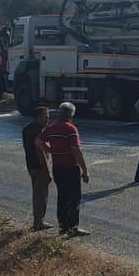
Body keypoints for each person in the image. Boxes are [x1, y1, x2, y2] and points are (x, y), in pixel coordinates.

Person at [39, 101, 90, 236]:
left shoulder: (51, 127)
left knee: (62, 196)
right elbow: (76, 151)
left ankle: (63, 225)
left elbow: (38, 141)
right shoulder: (71, 129)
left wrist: (50, 150)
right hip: (70, 167)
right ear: (71, 115)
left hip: (57, 167)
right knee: (74, 198)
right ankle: (73, 227)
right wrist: (85, 170)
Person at [22, 104, 52, 230]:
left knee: (37, 193)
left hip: (30, 165)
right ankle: (38, 223)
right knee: (41, 195)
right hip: (39, 167)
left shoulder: (27, 129)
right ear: (38, 117)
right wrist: (46, 171)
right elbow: (39, 151)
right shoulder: (38, 131)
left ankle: (38, 221)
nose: (48, 119)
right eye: (46, 116)